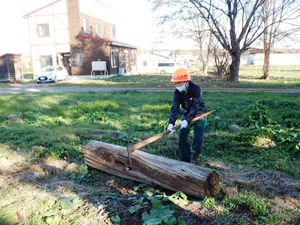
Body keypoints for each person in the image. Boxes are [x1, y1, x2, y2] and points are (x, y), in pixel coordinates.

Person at [167, 68, 207, 164]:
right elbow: (175, 108)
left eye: (178, 83)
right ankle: (185, 159)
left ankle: (195, 152)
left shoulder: (195, 88)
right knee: (182, 135)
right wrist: (171, 123)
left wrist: (188, 120)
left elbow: (195, 105)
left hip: (199, 113)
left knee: (198, 135)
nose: (177, 85)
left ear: (185, 81)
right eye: (175, 83)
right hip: (186, 113)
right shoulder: (177, 92)